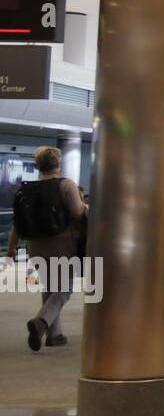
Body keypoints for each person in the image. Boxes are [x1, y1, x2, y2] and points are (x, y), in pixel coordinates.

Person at [11, 146, 87, 353]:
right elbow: (78, 213)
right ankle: (42, 321)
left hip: (35, 245)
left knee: (50, 286)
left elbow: (17, 222)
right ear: (58, 163)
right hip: (61, 242)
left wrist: (11, 247)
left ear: (37, 165)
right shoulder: (65, 185)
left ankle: (54, 335)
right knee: (64, 288)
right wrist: (85, 204)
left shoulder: (25, 188)